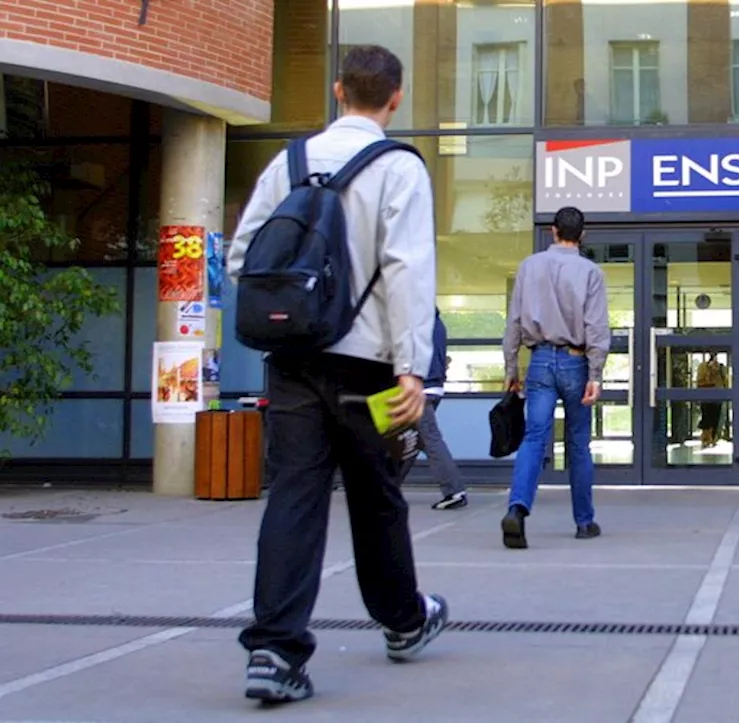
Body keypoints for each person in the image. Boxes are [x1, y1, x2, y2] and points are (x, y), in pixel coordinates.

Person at [226, 44, 448, 704]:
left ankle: (274, 649)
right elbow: (408, 268)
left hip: (292, 360)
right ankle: (405, 621)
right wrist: (413, 368)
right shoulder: (399, 168)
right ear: (396, 98)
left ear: (337, 90)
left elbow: (243, 258)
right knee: (376, 493)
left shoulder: (287, 163)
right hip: (370, 366)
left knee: (294, 494)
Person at [500, 206, 609, 549]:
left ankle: (517, 509)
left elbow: (515, 322)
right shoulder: (590, 272)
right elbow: (596, 326)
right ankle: (584, 521)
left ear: (552, 230)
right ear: (583, 235)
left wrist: (511, 369)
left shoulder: (529, 267)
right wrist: (596, 372)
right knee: (578, 443)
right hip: (576, 362)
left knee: (534, 438)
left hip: (541, 360)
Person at [400, 307, 467, 509]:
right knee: (411, 440)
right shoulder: (438, 324)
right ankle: (387, 487)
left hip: (420, 388)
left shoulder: (418, 324)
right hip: (434, 387)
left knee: (429, 439)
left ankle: (454, 490)